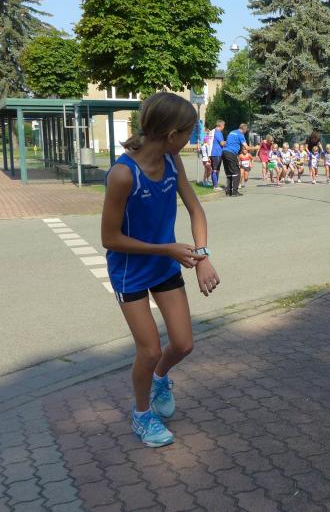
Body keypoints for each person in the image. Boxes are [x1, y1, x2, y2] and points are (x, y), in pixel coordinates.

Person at [101, 92, 220, 448]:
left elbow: (196, 209)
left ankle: (159, 379)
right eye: (188, 133)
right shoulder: (123, 175)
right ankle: (141, 415)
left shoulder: (172, 161)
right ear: (171, 135)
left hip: (165, 265)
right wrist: (165, 248)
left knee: (182, 344)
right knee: (150, 350)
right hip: (130, 272)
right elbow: (110, 238)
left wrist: (202, 256)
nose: (190, 139)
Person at [222, 123, 251, 197]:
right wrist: (256, 148)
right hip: (231, 153)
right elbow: (247, 147)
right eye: (246, 130)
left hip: (224, 152)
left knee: (229, 172)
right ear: (244, 129)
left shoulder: (232, 132)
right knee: (236, 172)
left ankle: (228, 191)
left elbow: (228, 142)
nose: (246, 132)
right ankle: (234, 192)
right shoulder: (240, 135)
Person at [210, 120, 225, 191]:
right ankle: (215, 186)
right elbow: (222, 143)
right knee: (215, 170)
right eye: (224, 126)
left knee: (216, 169)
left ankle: (215, 185)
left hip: (214, 153)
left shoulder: (213, 131)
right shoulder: (218, 132)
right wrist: (230, 142)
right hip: (216, 153)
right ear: (221, 126)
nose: (224, 127)